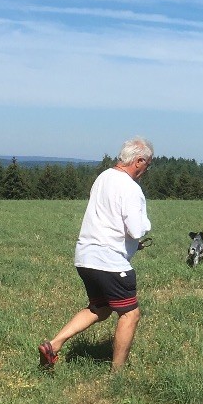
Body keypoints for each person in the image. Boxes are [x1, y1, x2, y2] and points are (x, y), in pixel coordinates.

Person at [39, 137, 154, 372]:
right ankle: (117, 373)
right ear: (139, 160)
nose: (146, 170)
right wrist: (144, 228)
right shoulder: (131, 188)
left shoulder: (103, 177)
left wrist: (131, 246)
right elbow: (136, 228)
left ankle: (53, 344)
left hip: (85, 257)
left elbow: (106, 219)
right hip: (109, 261)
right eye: (147, 164)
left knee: (100, 308)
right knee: (130, 314)